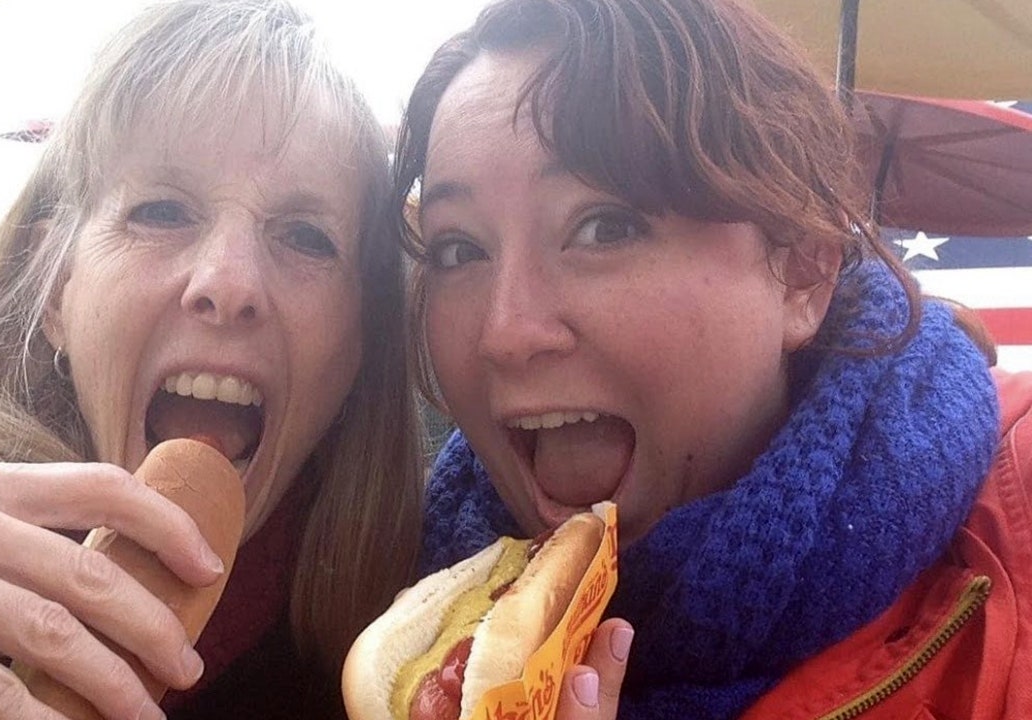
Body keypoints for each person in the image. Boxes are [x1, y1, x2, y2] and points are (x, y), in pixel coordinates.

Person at [0, 1, 422, 718]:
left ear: (358, 348)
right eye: (162, 211)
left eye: (306, 236)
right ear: (57, 289)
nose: (228, 284)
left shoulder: (400, 663)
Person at [392, 0, 1032, 718]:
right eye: (458, 249)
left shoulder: (1016, 511)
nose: (503, 334)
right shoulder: (399, 595)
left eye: (605, 227)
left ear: (803, 271)